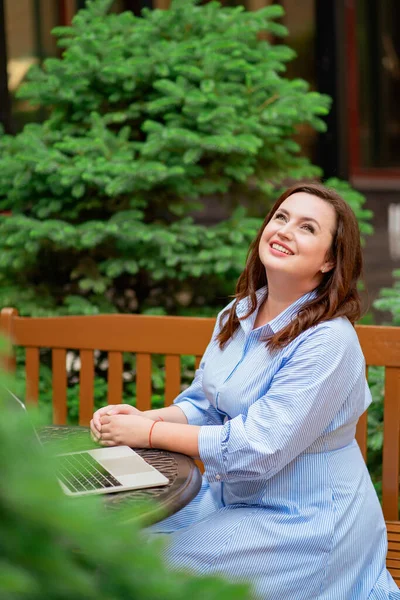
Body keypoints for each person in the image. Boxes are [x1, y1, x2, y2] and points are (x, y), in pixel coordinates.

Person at [91, 183, 399, 600]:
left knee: (151, 564)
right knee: (115, 538)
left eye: (307, 228)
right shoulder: (238, 313)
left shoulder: (328, 342)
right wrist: (143, 418)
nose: (285, 231)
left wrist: (146, 436)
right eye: (281, 218)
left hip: (303, 523)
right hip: (229, 499)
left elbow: (258, 447)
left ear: (329, 260)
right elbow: (204, 404)